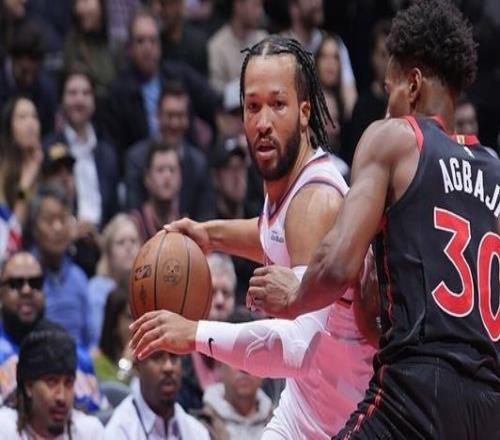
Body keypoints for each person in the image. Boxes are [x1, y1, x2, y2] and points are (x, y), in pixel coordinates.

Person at [245, 2, 500, 439]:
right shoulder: (494, 169)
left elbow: (338, 263)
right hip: (488, 404)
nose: (386, 108)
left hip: (417, 390)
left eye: (390, 90)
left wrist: (296, 296)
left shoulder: (395, 139)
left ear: (413, 85)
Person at [130, 36, 377, 439]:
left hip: (353, 421)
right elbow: (271, 233)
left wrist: (195, 333)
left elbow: (295, 350)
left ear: (304, 112)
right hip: (303, 411)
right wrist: (209, 235)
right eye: (253, 106)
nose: (263, 122)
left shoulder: (315, 201)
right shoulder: (287, 183)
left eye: (277, 104)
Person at [101, 8, 220, 158]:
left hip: (184, 161)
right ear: (130, 48)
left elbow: (215, 102)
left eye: (152, 40)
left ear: (160, 45)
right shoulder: (117, 92)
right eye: (140, 41)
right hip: (141, 165)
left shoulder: (179, 76)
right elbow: (117, 150)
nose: (147, 47)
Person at [0, 251, 102, 412]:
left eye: (35, 283)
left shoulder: (72, 351)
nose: (27, 290)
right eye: (16, 283)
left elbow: (97, 411)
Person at [125, 82, 215, 220]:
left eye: (180, 116)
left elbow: (206, 215)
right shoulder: (136, 158)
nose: (175, 123)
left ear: (188, 119)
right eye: (170, 115)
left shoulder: (199, 163)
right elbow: (133, 212)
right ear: (158, 116)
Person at [0, 328, 105, 438]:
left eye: (68, 383)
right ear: (29, 386)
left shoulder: (89, 432)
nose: (61, 397)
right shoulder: (4, 429)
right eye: (51, 382)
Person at [29, 184, 93, 349]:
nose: (58, 228)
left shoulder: (79, 278)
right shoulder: (23, 279)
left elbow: (90, 343)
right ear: (34, 227)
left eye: (63, 220)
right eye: (49, 220)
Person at [201, 311, 274, 440]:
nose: (244, 368)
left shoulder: (283, 422)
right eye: (235, 357)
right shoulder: (198, 427)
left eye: (252, 356)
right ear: (218, 362)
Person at [105, 351, 210, 439]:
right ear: (137, 366)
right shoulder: (119, 432)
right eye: (157, 357)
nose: (168, 367)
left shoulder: (197, 431)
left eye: (174, 356)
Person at [88, 214, 141, 348]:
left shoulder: (150, 286)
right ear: (109, 253)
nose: (128, 247)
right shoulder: (96, 289)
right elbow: (97, 340)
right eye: (121, 242)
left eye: (133, 241)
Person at [0, 20, 57, 135]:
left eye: (34, 73)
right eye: (24, 72)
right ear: (13, 60)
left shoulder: (46, 90)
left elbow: (49, 134)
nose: (29, 79)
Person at [0, 96, 42, 246]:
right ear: (10, 128)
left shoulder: (49, 164)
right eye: (22, 117)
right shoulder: (2, 170)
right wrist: (26, 182)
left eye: (34, 116)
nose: (30, 123)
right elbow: (11, 235)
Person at [208, 0, 267, 93]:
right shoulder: (217, 46)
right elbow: (216, 91)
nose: (260, 12)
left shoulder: (264, 41)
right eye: (256, 5)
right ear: (238, 5)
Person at [129, 141, 182, 241]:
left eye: (172, 169)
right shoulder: (135, 225)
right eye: (160, 170)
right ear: (147, 178)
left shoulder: (185, 224)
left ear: (180, 177)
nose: (167, 176)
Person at [93, 289, 134, 383]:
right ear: (114, 323)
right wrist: (126, 362)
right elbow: (114, 390)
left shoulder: (149, 359)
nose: (136, 323)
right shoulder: (98, 361)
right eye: (130, 317)